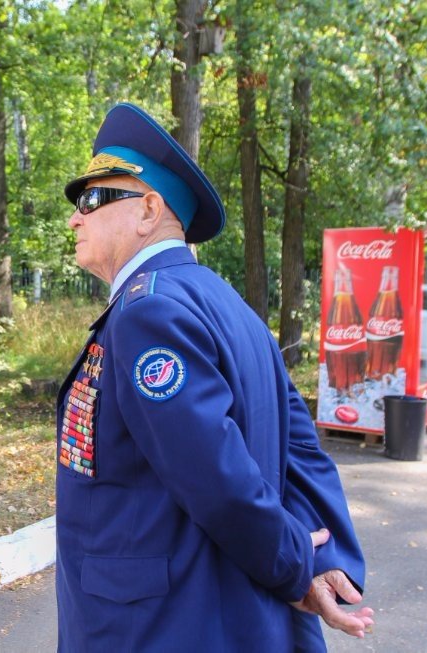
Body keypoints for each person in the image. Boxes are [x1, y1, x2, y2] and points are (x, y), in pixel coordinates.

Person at [55, 103, 373, 652]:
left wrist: (299, 566)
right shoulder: (227, 303)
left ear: (148, 210)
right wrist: (325, 556)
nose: (74, 218)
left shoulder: (146, 313)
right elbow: (302, 449)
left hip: (157, 626)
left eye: (91, 199)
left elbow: (219, 479)